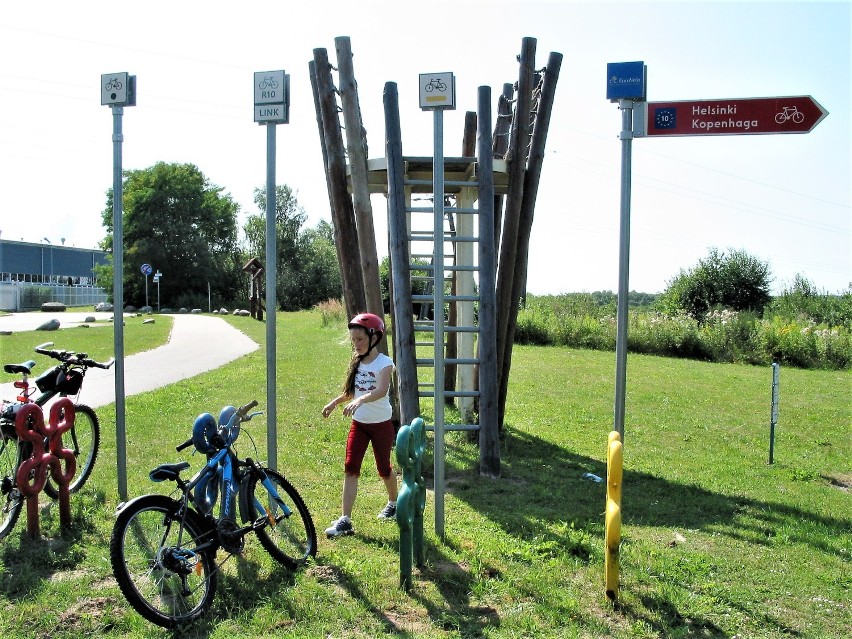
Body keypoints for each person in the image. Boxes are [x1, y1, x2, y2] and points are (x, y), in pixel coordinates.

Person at [322, 312, 398, 538]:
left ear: (374, 338)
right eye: (353, 340)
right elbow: (351, 392)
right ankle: (345, 520)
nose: (356, 344)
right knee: (350, 467)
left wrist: (361, 399)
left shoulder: (384, 363)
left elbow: (381, 390)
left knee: (384, 469)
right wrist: (335, 402)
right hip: (360, 424)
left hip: (381, 425)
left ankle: (394, 503)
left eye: (360, 340)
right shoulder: (357, 362)